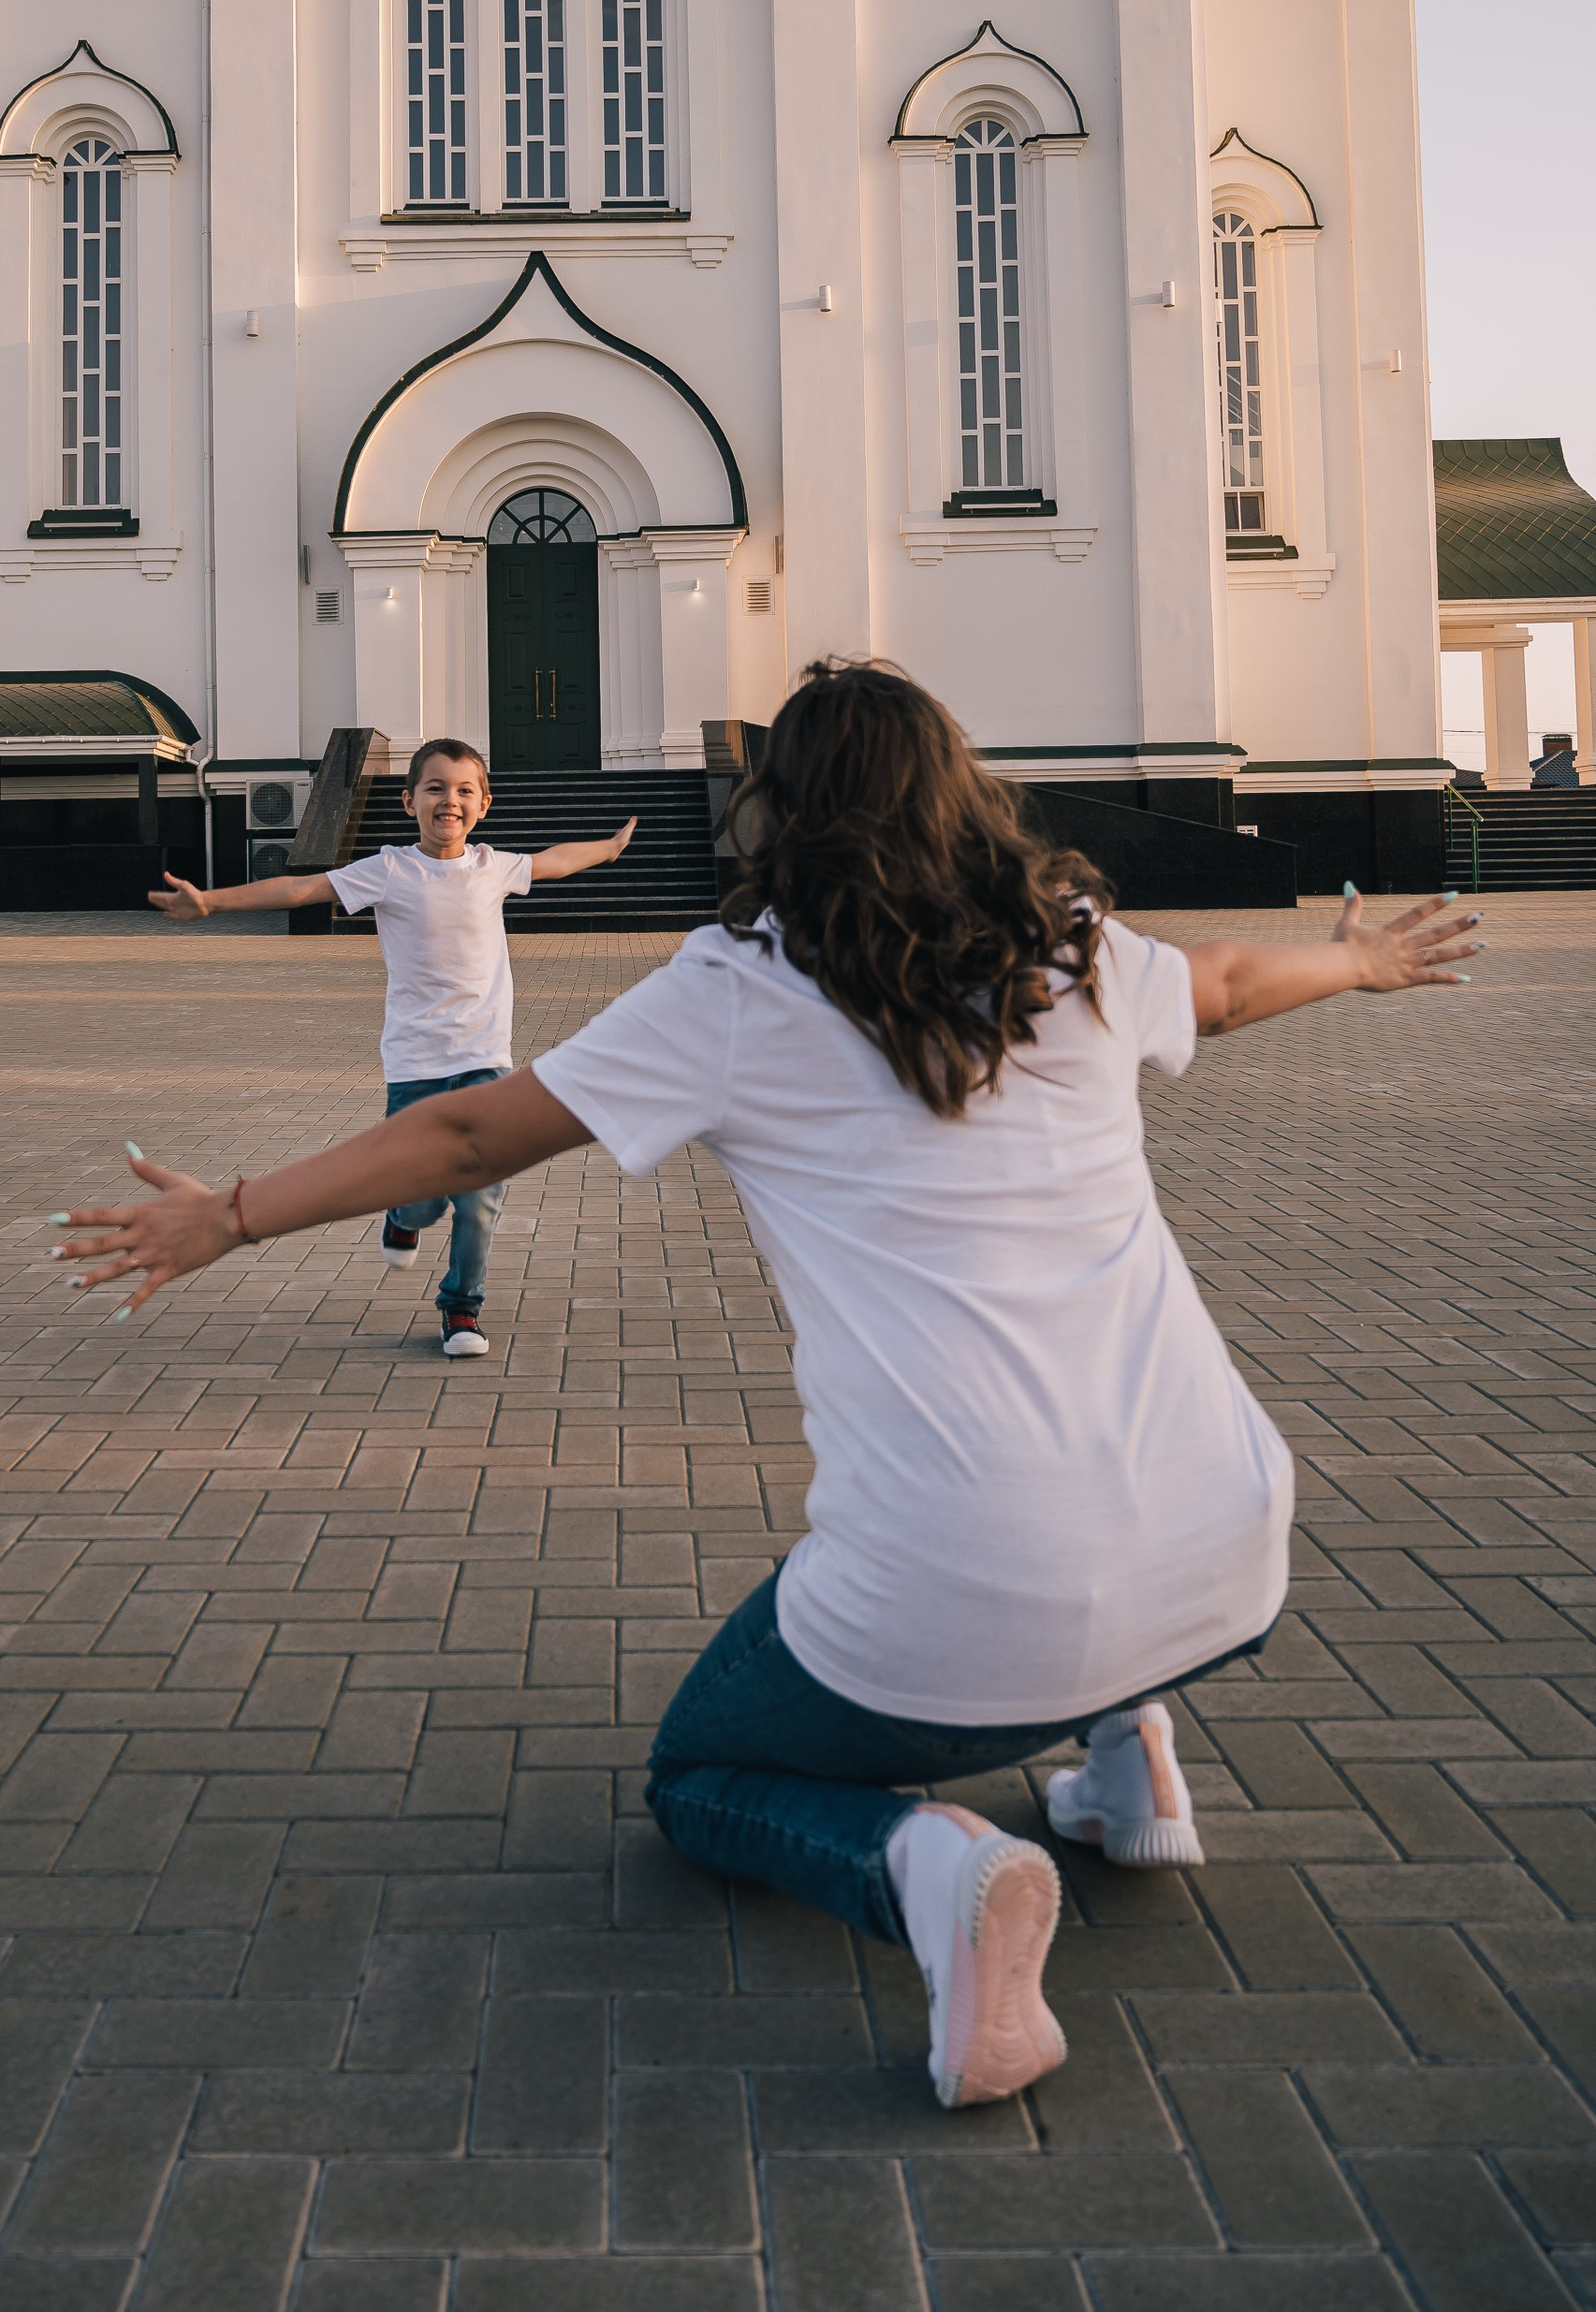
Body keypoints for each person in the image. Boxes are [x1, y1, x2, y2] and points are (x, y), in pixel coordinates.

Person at [72, 661, 1480, 2112]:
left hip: (969, 1584)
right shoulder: (1075, 945)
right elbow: (1237, 984)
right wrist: (1360, 961)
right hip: (1226, 1542)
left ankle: (935, 1872)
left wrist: (234, 1211)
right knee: (1098, 1549)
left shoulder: (744, 987)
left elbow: (473, 1133)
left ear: (781, 813)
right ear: (961, 790)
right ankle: (1132, 1765)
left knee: (701, 1775)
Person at [149, 737, 636, 1356]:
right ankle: (402, 1218)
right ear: (409, 801)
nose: (449, 801)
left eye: (464, 791)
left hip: (487, 1064)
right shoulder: (389, 869)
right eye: (435, 788)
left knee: (482, 1198)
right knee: (424, 1198)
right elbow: (302, 892)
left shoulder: (493, 867)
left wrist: (611, 848)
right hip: (416, 1067)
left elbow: (556, 860)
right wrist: (211, 902)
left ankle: (462, 1310)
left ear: (483, 805)